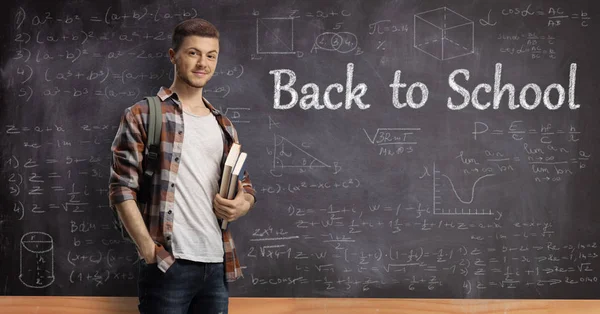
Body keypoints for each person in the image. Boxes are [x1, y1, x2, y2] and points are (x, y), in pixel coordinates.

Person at [108, 18, 256, 314]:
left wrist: (242, 204)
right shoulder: (144, 114)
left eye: (210, 55)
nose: (203, 63)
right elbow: (121, 189)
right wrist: (148, 250)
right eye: (193, 53)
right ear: (173, 55)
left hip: (217, 264)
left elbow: (246, 186)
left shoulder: (224, 125)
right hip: (167, 265)